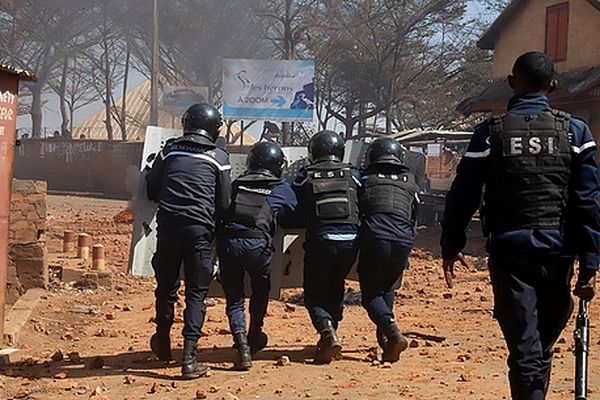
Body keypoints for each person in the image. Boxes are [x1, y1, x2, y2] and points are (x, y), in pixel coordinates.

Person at [440, 52, 599, 400]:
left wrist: (451, 245)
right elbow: (588, 202)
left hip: (509, 252)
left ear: (512, 84)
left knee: (527, 346)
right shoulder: (576, 132)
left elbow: (463, 195)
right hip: (559, 252)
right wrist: (589, 264)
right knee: (537, 344)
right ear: (553, 86)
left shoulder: (488, 134)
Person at [145, 103, 231, 380]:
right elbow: (224, 202)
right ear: (214, 128)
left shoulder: (168, 151)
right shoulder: (219, 157)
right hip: (199, 232)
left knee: (166, 287)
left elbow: (151, 189)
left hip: (168, 228)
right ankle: (189, 357)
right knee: (196, 293)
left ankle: (162, 342)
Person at [282, 130, 360, 364]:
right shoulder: (353, 175)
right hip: (350, 243)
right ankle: (330, 333)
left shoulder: (305, 176)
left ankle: (326, 330)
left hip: (321, 242)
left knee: (314, 294)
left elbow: (292, 213)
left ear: (313, 152)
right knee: (336, 286)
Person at [217, 141, 297, 370]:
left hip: (230, 245)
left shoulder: (236, 184)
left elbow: (221, 209)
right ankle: (254, 335)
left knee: (235, 300)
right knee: (260, 292)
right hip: (258, 247)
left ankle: (240, 344)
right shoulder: (280, 187)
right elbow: (295, 216)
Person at [358, 137, 419, 362]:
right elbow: (414, 215)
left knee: (370, 294)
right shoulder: (409, 181)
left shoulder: (364, 178)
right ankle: (387, 340)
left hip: (376, 238)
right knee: (388, 286)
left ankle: (392, 332)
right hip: (404, 239)